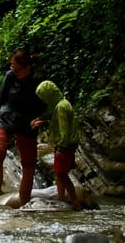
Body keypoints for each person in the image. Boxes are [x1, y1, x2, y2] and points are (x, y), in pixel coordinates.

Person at [0, 49, 45, 206]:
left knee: (29, 164)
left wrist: (41, 119)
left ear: (26, 67)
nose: (12, 67)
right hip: (5, 118)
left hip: (27, 123)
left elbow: (47, 105)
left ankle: (24, 202)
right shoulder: (10, 76)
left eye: (15, 65)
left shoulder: (38, 81)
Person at [32, 80, 82, 211]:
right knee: (60, 174)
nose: (43, 101)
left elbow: (64, 131)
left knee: (62, 174)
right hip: (67, 145)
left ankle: (74, 202)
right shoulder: (62, 104)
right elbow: (57, 123)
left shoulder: (60, 108)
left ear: (49, 95)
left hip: (65, 146)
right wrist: (42, 122)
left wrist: (61, 148)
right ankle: (62, 199)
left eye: (43, 97)